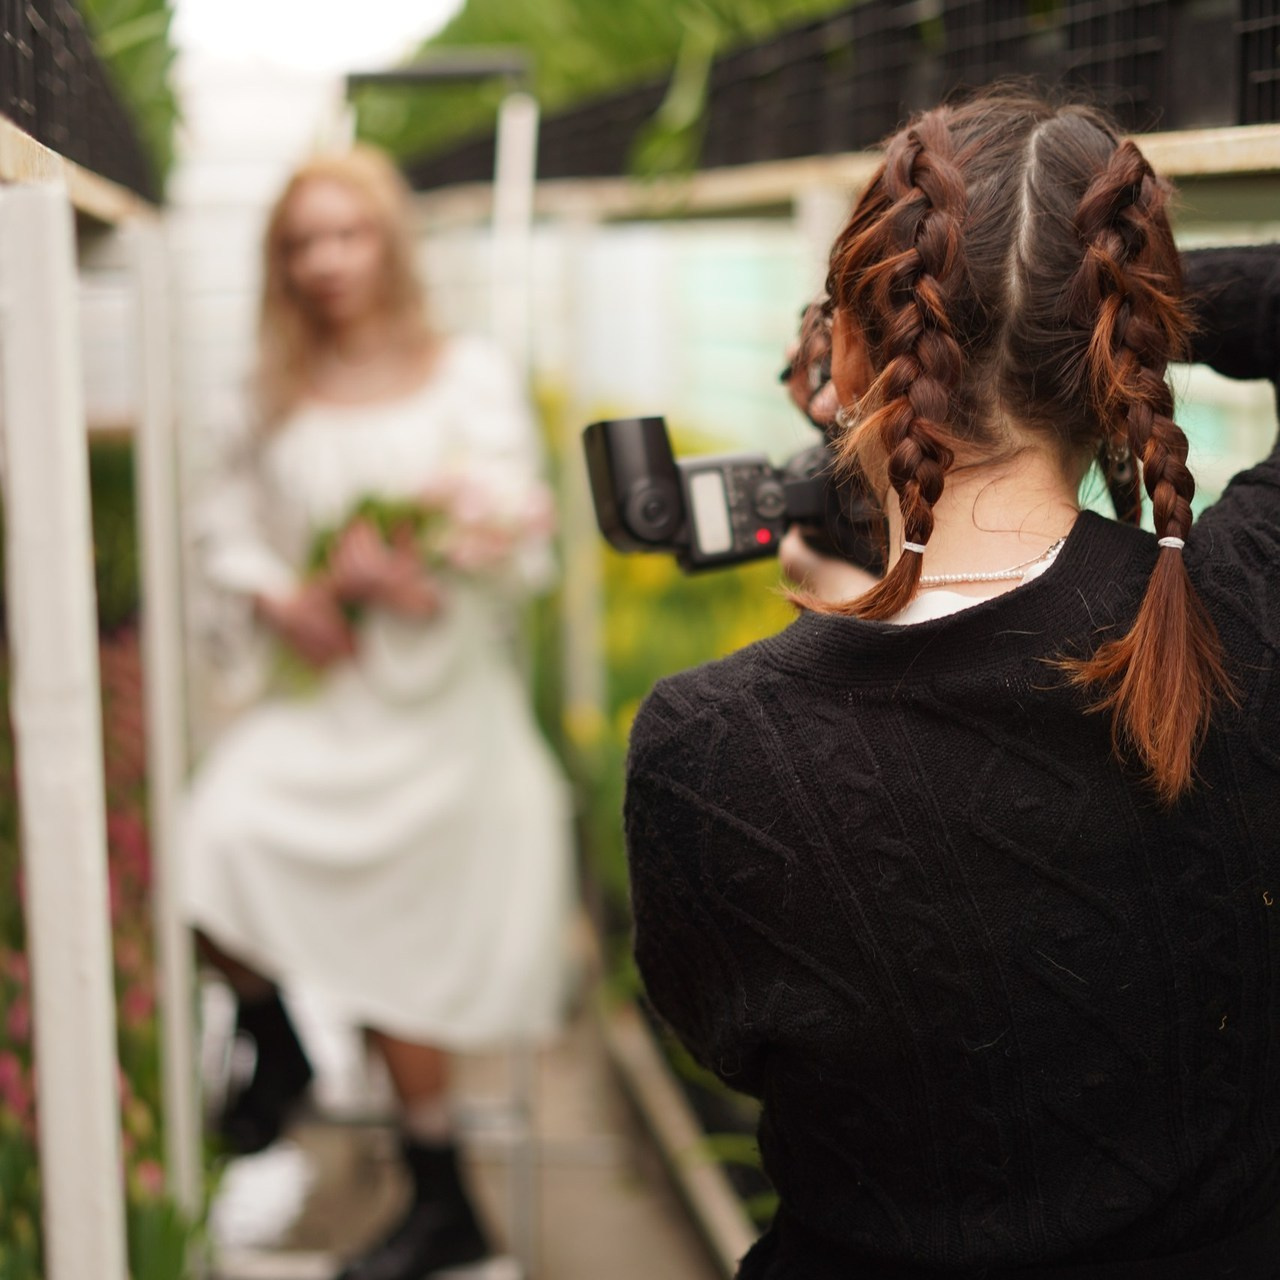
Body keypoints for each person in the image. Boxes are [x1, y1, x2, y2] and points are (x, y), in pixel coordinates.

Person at [624, 87, 1280, 1279]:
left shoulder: (714, 751)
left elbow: (723, 1036)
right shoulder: (1248, 609)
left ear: (855, 350)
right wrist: (1116, 308)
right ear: (1118, 345)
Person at [182, 145, 574, 1280]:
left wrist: (432, 569)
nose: (325, 262)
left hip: (445, 714)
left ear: (388, 243)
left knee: (407, 912)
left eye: (346, 234)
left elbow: (524, 547)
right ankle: (276, 1042)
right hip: (328, 705)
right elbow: (225, 526)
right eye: (301, 242)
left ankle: (439, 1195)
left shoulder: (468, 377)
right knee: (211, 843)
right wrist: (286, 595)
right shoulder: (264, 387)